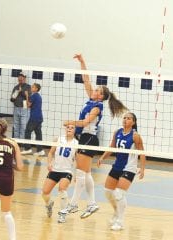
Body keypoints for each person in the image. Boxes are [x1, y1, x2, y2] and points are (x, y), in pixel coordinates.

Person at [62, 54, 128, 219]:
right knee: (86, 173)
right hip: (84, 138)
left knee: (80, 174)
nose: (94, 90)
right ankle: (91, 204)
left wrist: (70, 122)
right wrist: (82, 62)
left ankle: (73, 204)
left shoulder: (97, 107)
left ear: (101, 96)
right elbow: (86, 80)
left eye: (97, 90)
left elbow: (85, 123)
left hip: (89, 138)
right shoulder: (91, 99)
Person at [97, 112, 145, 231]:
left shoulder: (135, 136)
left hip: (129, 168)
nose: (125, 120)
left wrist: (142, 168)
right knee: (108, 192)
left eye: (128, 118)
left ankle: (120, 221)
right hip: (117, 166)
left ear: (133, 122)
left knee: (118, 193)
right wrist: (102, 157)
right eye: (124, 118)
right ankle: (116, 212)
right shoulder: (117, 132)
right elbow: (112, 147)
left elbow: (142, 153)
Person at [41, 124, 78, 223]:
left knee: (62, 189)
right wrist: (49, 163)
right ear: (65, 129)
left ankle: (62, 214)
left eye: (72, 128)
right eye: (68, 127)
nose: (69, 129)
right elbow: (50, 153)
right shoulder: (59, 139)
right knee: (44, 193)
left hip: (67, 171)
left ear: (75, 130)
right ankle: (49, 204)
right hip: (55, 169)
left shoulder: (77, 143)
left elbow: (78, 161)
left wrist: (77, 174)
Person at [21, 83, 44, 156]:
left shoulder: (34, 96)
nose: (31, 87)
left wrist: (27, 95)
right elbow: (32, 106)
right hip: (39, 117)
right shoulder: (39, 96)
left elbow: (28, 105)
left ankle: (27, 149)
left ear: (36, 89)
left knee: (28, 131)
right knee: (38, 134)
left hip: (34, 117)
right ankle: (40, 150)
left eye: (33, 87)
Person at [10, 72, 31, 140]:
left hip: (24, 109)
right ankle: (16, 141)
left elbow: (29, 97)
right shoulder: (15, 87)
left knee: (23, 126)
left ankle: (22, 142)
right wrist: (16, 93)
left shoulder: (28, 87)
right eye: (19, 77)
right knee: (16, 126)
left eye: (22, 77)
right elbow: (12, 99)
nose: (20, 78)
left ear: (25, 78)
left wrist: (21, 91)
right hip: (16, 108)